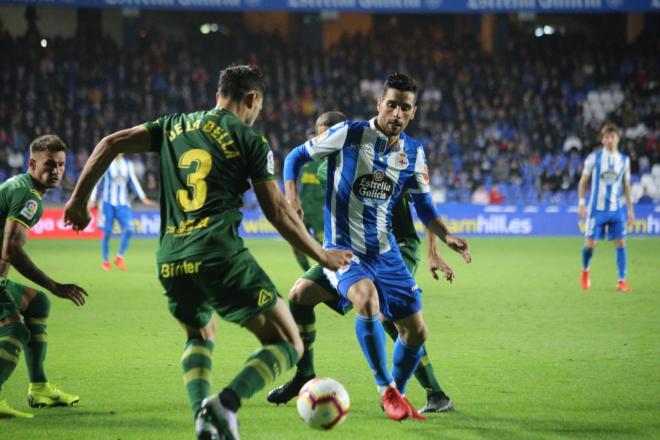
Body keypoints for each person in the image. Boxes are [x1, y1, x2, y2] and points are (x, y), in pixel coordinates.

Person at [63, 65, 351, 440]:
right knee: (287, 343)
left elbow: (109, 143)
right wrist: (321, 254)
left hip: (170, 259)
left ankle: (203, 419)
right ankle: (224, 404)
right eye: (258, 107)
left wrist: (78, 201)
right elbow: (277, 211)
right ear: (252, 99)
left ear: (219, 93)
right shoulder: (250, 140)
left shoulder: (172, 125)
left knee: (199, 335)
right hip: (219, 254)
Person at [283, 73, 471, 422]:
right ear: (379, 105)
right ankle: (385, 387)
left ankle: (396, 392)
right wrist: (291, 197)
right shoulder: (351, 134)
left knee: (416, 332)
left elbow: (425, 207)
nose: (397, 113)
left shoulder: (413, 153)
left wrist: (446, 237)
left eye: (405, 107)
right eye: (392, 105)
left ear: (413, 112)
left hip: (386, 252)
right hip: (342, 248)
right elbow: (294, 157)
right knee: (365, 299)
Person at [0, 135, 87, 418]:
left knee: (37, 304)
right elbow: (12, 249)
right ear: (32, 163)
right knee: (15, 330)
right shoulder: (29, 197)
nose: (57, 171)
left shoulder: (19, 188)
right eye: (50, 165)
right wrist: (55, 286)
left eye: (61, 165)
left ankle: (39, 387)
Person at [578, 124, 634, 292]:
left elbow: (627, 185)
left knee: (621, 243)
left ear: (618, 139)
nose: (610, 140)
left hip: (616, 209)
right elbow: (583, 181)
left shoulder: (624, 160)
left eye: (613, 137)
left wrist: (630, 209)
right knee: (590, 245)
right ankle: (585, 270)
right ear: (602, 139)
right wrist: (581, 203)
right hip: (597, 209)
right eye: (607, 137)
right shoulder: (593, 158)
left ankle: (621, 281)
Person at [88, 153, 156, 271]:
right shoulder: (106, 164)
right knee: (107, 232)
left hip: (123, 203)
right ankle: (105, 261)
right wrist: (92, 199)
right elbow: (97, 182)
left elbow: (133, 181)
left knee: (129, 229)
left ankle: (119, 257)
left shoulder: (128, 164)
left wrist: (143, 197)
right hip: (107, 203)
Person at [289, 123, 328, 271]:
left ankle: (329, 279)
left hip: (319, 212)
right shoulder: (301, 162)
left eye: (314, 138)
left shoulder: (327, 160)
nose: (311, 141)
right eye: (309, 138)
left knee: (325, 249)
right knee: (296, 245)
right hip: (303, 212)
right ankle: (307, 274)